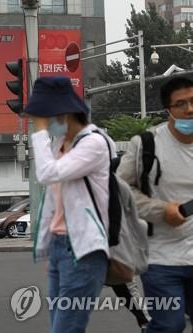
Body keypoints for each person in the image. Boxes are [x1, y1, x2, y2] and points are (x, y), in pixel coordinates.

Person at [25, 77, 112, 333]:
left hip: (83, 251)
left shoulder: (94, 144)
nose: (42, 126)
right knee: (62, 327)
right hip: (60, 247)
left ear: (63, 114)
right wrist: (46, 244)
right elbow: (52, 201)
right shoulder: (59, 145)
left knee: (65, 329)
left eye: (44, 119)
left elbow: (47, 174)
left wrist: (40, 133)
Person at [117, 76, 193, 333]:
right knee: (169, 326)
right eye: (180, 104)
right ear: (168, 110)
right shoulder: (146, 145)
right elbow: (120, 191)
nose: (189, 109)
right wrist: (161, 210)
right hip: (160, 257)